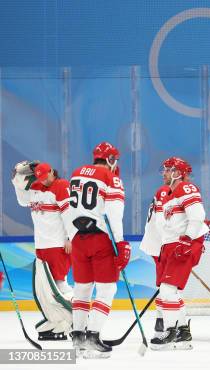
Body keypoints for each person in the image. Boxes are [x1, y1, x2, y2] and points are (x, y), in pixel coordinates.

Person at [68, 142, 128, 358]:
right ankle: (93, 336)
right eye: (115, 160)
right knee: (107, 290)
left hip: (78, 239)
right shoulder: (112, 179)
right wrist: (120, 244)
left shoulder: (76, 173)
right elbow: (114, 215)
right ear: (110, 159)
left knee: (81, 289)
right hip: (101, 240)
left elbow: (70, 208)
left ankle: (77, 337)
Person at [11, 161, 73, 341]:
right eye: (40, 178)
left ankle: (79, 318)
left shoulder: (61, 186)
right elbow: (22, 200)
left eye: (46, 177)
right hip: (41, 245)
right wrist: (16, 181)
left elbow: (70, 213)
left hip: (57, 245)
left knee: (59, 284)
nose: (43, 181)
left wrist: (69, 237)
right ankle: (58, 321)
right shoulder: (36, 187)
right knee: (45, 287)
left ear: (52, 172)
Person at [151, 157, 206, 350]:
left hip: (183, 244)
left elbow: (198, 216)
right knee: (170, 291)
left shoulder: (185, 188)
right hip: (171, 244)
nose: (163, 173)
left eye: (167, 169)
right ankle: (183, 331)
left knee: (167, 290)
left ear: (177, 173)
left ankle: (170, 330)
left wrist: (187, 239)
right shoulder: (167, 194)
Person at [139, 158, 172, 340]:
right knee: (169, 284)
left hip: (157, 243)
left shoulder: (167, 190)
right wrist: (169, 244)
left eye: (167, 170)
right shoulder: (165, 190)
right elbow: (161, 222)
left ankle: (162, 319)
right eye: (164, 170)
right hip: (161, 244)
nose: (163, 173)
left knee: (166, 283)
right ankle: (162, 319)